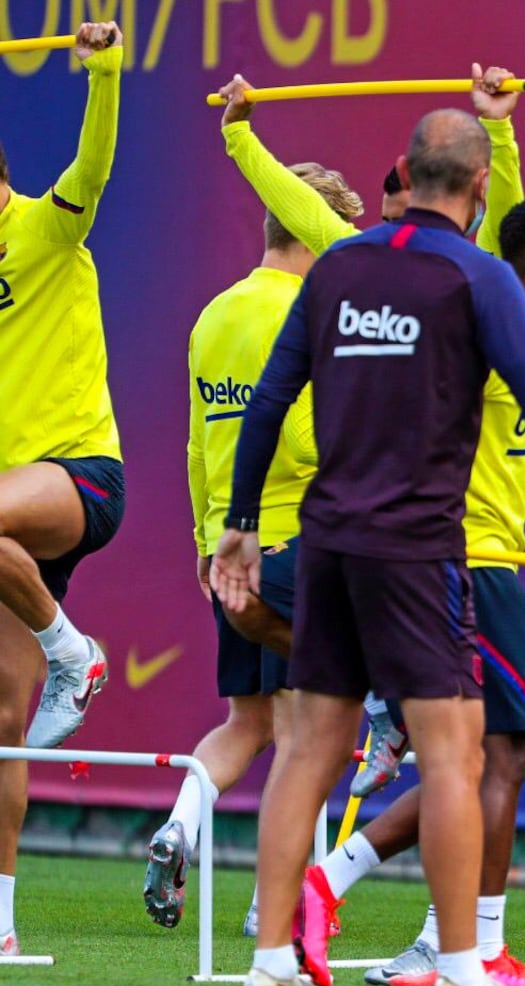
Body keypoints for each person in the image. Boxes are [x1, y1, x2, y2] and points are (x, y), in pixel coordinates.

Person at [212, 105, 525, 986]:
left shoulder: (336, 266)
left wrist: (241, 524)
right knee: (452, 756)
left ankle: (270, 966)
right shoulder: (478, 276)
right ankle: (461, 975)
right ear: (480, 187)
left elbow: (271, 398)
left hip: (324, 541)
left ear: (405, 170)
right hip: (416, 550)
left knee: (309, 751)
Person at [142, 158, 363, 931]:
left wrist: (209, 541)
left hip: (233, 551)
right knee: (315, 727)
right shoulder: (312, 311)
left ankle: (180, 826)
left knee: (250, 720)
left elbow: (204, 442)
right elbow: (305, 438)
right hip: (303, 539)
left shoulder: (215, 313)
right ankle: (282, 901)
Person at [0, 21, 126, 960]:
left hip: (80, 478)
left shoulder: (44, 226)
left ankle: (72, 652)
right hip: (13, 520)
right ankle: (0, 926)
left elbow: (93, 159)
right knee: (4, 721)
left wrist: (105, 71)